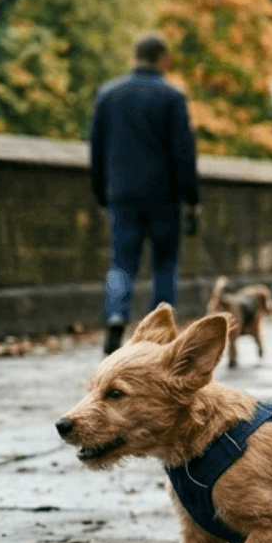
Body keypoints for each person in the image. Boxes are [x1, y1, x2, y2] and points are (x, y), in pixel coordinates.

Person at [89, 34, 198, 355]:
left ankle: (115, 316)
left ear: (135, 55)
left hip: (121, 195)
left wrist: (102, 193)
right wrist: (192, 198)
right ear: (162, 58)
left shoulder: (108, 95)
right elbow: (184, 154)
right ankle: (158, 337)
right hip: (164, 197)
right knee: (164, 266)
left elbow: (96, 150)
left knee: (121, 262)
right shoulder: (172, 98)